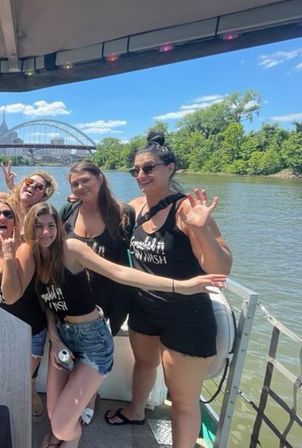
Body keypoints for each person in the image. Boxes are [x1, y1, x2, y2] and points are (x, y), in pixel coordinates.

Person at [1, 203, 227, 448]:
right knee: (55, 417)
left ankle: (71, 437)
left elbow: (118, 272)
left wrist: (179, 286)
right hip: (63, 339)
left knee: (61, 426)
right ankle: (68, 435)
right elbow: (31, 301)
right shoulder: (33, 257)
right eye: (38, 227)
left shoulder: (70, 249)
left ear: (58, 226)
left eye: (50, 226)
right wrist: (8, 257)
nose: (45, 233)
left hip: (93, 342)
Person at [104, 132, 232, 448]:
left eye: (149, 168)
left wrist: (202, 228)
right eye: (136, 170)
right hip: (144, 309)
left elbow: (220, 269)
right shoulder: (135, 207)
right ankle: (135, 411)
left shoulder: (188, 210)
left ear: (169, 168)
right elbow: (101, 220)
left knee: (182, 400)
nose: (141, 175)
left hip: (187, 314)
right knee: (144, 364)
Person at [60, 160, 135, 424]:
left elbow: (127, 262)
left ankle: (90, 396)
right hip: (71, 302)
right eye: (75, 184)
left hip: (107, 303)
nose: (80, 187)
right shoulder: (69, 209)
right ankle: (77, 401)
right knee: (72, 355)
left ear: (100, 178)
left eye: (85, 181)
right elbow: (48, 239)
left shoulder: (123, 213)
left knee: (94, 357)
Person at [0, 199, 48, 422]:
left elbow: (11, 296)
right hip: (1, 331)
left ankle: (30, 394)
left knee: (18, 382)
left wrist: (8, 254)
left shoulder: (25, 249)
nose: (2, 218)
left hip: (28, 331)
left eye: (8, 214)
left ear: (16, 221)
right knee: (5, 381)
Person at [8, 171, 56, 235]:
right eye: (29, 181)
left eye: (39, 187)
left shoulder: (38, 220)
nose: (32, 186)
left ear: (44, 196)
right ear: (22, 184)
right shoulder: (6, 207)